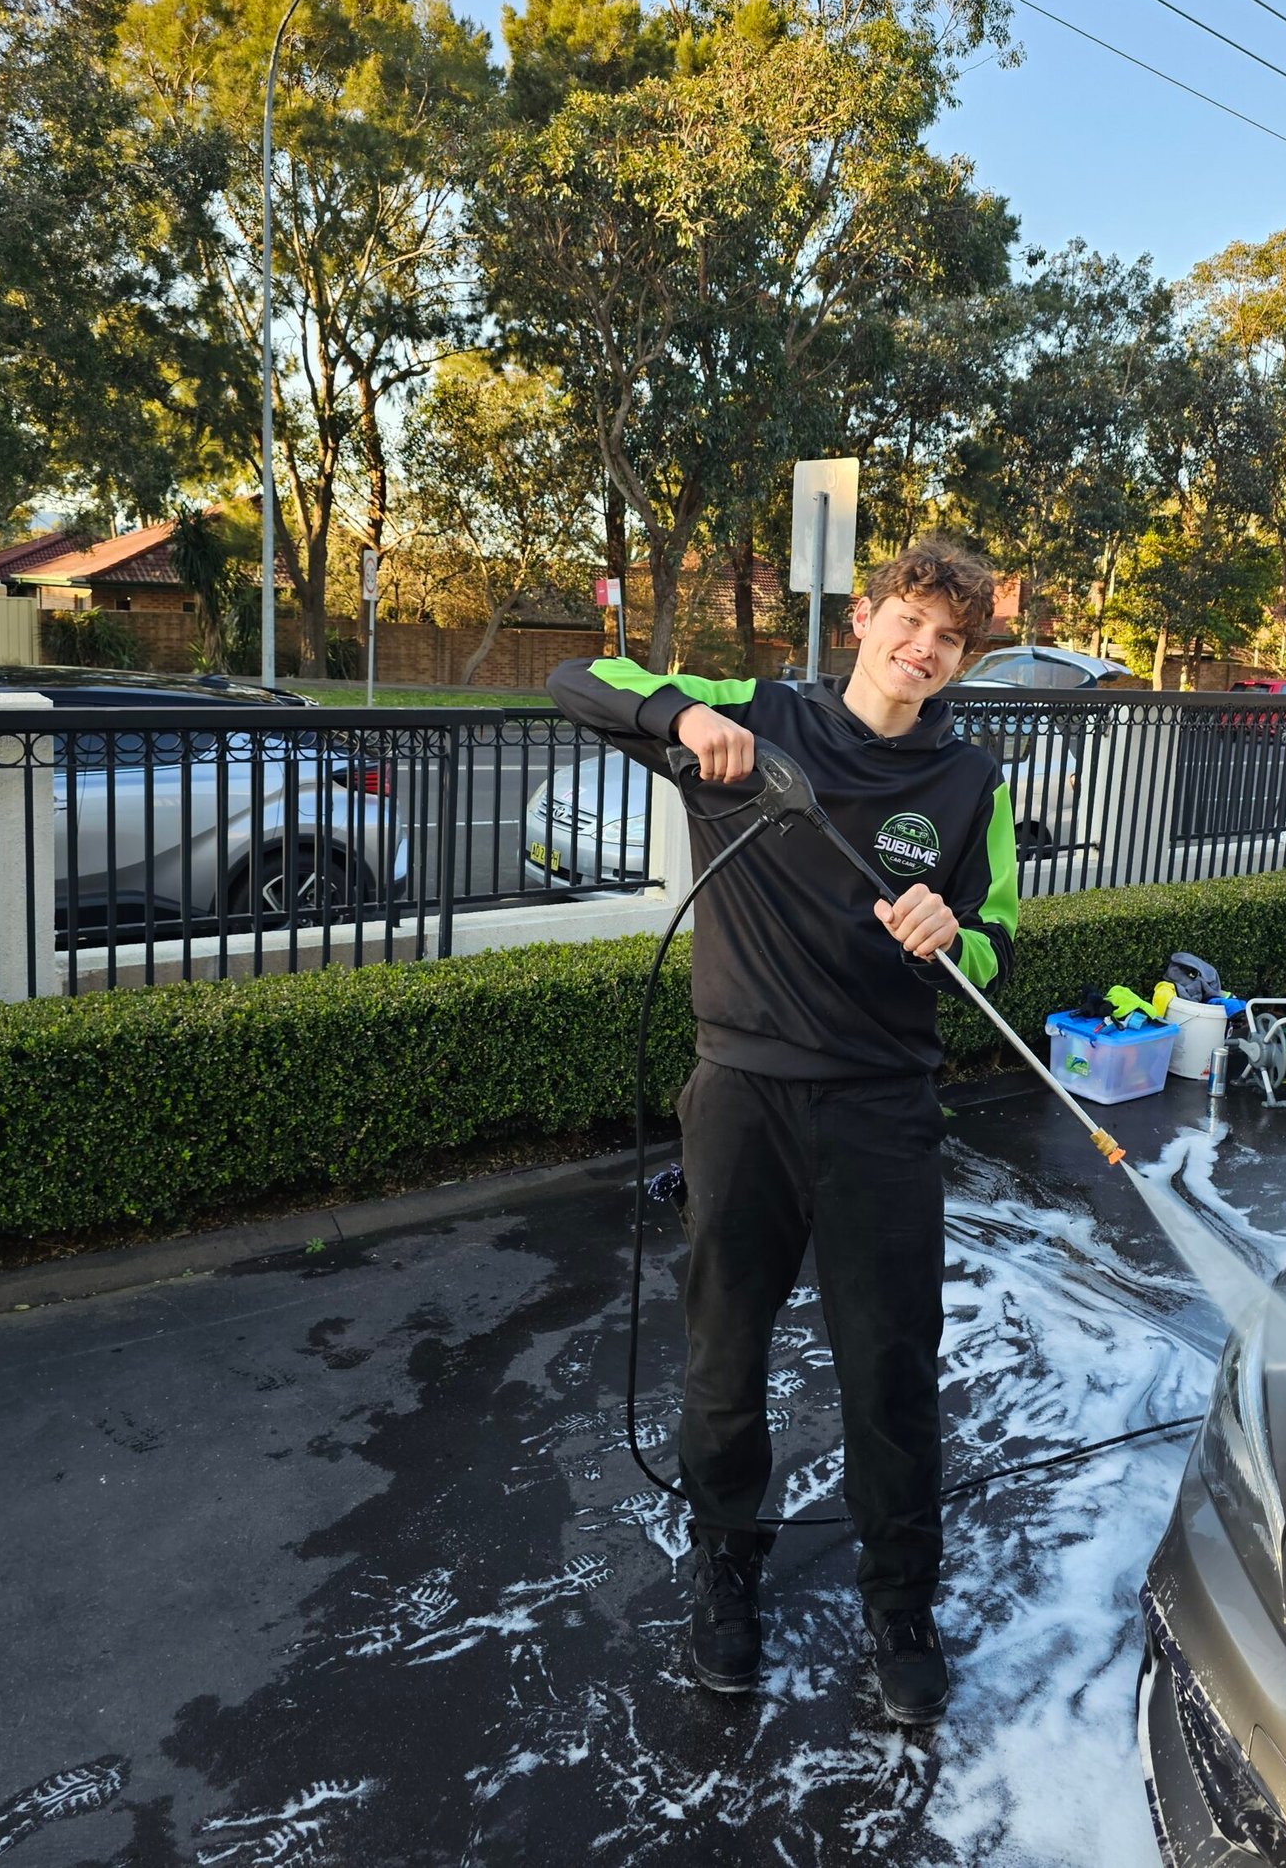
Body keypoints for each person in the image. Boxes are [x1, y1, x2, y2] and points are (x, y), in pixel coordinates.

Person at [547, 538, 1017, 1724]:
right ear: (863, 617)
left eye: (949, 641)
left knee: (890, 1373)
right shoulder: (757, 714)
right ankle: (724, 1578)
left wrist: (954, 936)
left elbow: (1001, 941)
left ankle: (899, 1602)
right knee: (722, 1364)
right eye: (909, 621)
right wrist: (675, 717)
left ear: (962, 661)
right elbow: (575, 682)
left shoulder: (971, 786)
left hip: (882, 1112)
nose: (922, 650)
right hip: (742, 1098)